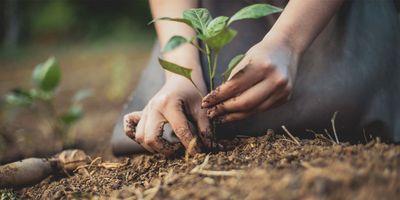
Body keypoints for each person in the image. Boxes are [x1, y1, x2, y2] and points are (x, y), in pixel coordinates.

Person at [111, 0, 400, 156]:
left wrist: (288, 41)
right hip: (210, 16)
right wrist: (181, 73)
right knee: (175, 115)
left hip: (322, 13)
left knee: (343, 95)